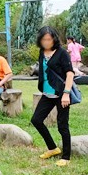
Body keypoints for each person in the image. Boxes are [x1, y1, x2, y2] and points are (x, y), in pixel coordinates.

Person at [31, 26, 76, 167]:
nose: (46, 42)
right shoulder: (42, 52)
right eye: (43, 39)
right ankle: (53, 148)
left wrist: (66, 94)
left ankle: (66, 157)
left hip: (61, 93)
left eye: (49, 39)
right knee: (36, 120)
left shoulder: (62, 53)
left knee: (62, 125)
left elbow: (70, 73)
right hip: (47, 93)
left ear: (54, 39)